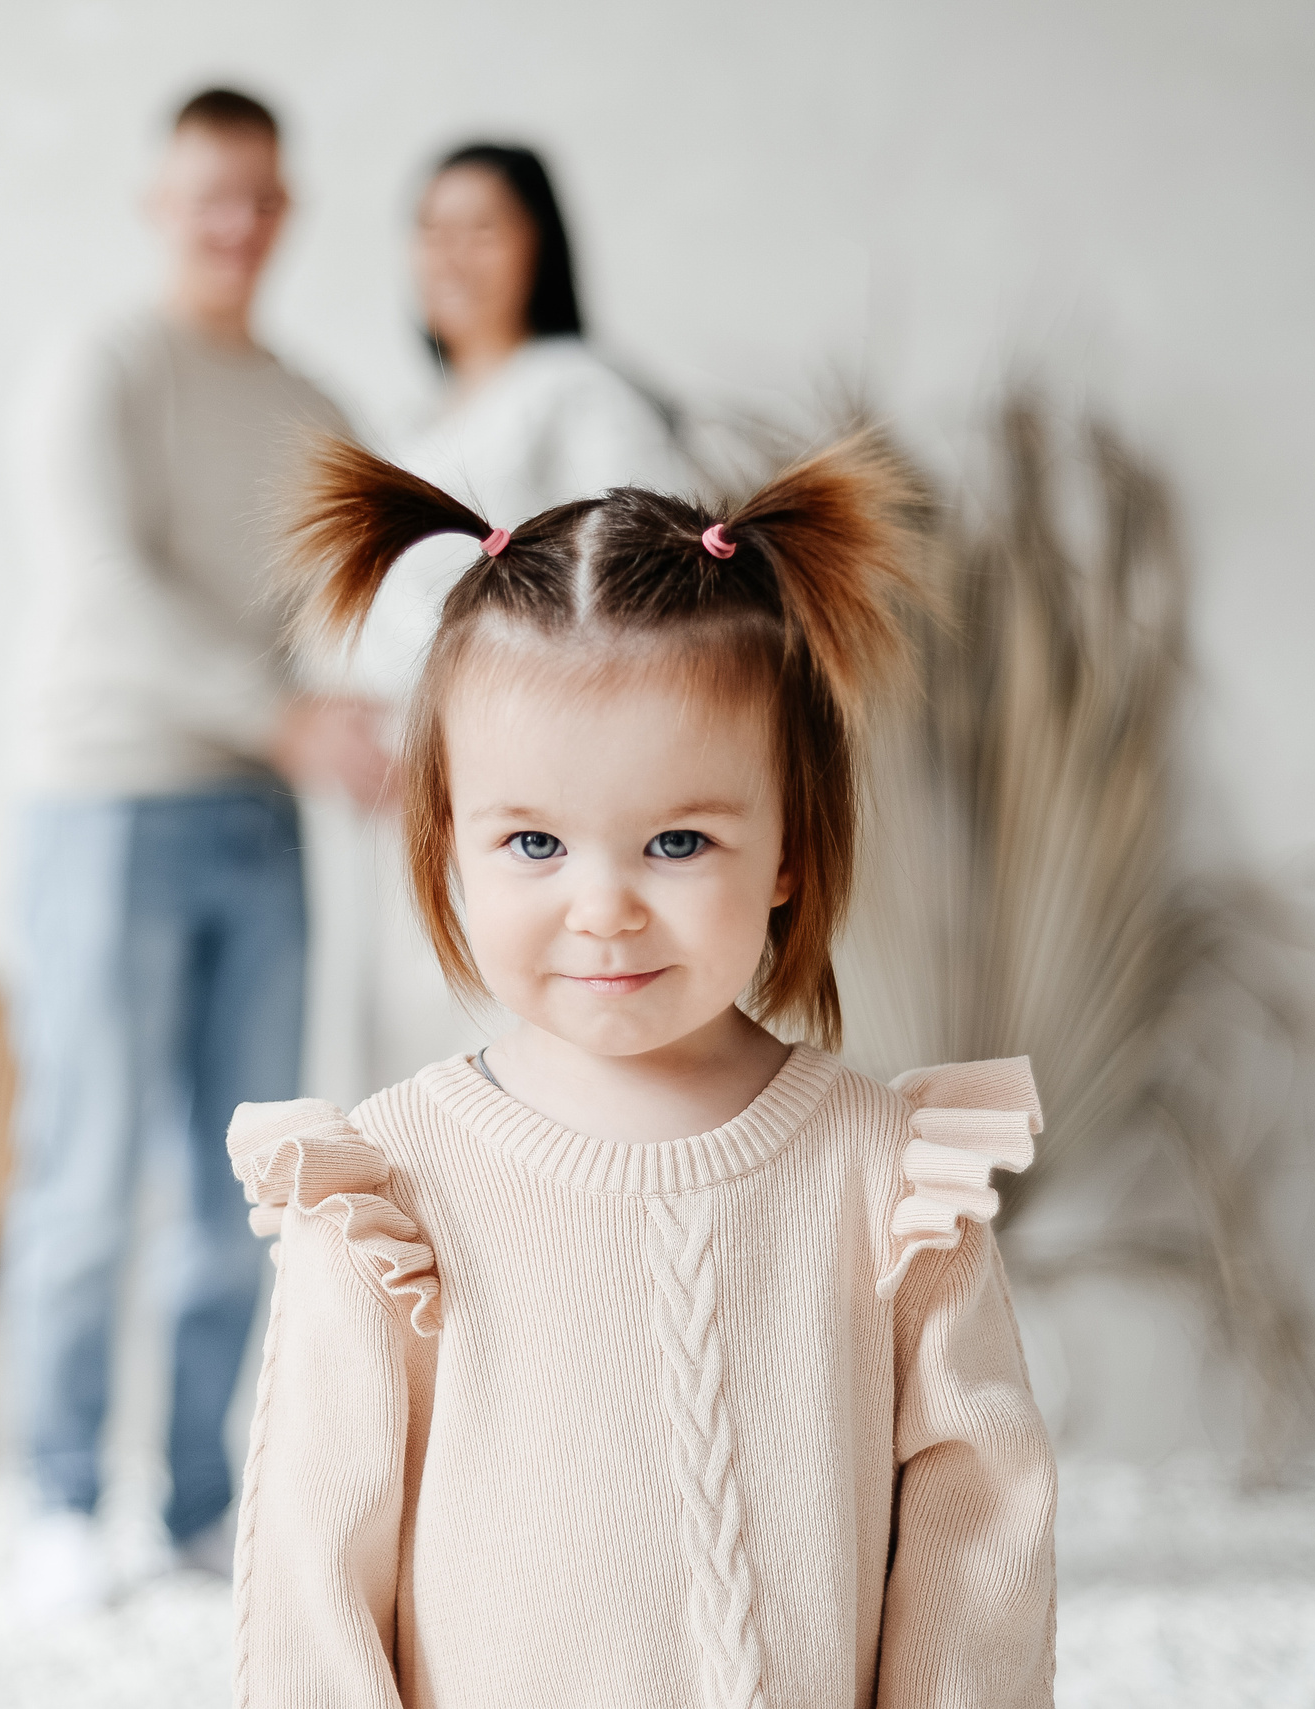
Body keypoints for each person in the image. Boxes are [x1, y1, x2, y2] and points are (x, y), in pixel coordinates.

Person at [225, 438, 1060, 1703]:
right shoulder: (385, 1193)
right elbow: (315, 1574)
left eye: (676, 840)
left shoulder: (891, 1178)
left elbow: (976, 1532)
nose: (603, 906)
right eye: (533, 842)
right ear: (447, 844)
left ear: (789, 844)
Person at [0, 87, 387, 1621]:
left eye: (264, 198)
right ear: (160, 203)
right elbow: (101, 590)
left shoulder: (313, 403)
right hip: (106, 803)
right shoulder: (99, 370)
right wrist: (286, 718)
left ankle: (194, 1506)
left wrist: (383, 728)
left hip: (262, 817)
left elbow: (343, 610)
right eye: (211, 195)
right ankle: (58, 1502)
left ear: (288, 214)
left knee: (246, 1186)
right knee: (88, 1173)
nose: (238, 224)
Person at [310, 143, 694, 1101]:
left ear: (541, 246)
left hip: (517, 801)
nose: (452, 254)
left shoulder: (578, 391)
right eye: (431, 230)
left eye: (482, 228)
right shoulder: (408, 426)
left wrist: (481, 746)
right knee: (416, 1081)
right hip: (395, 820)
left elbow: (648, 592)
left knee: (518, 1068)